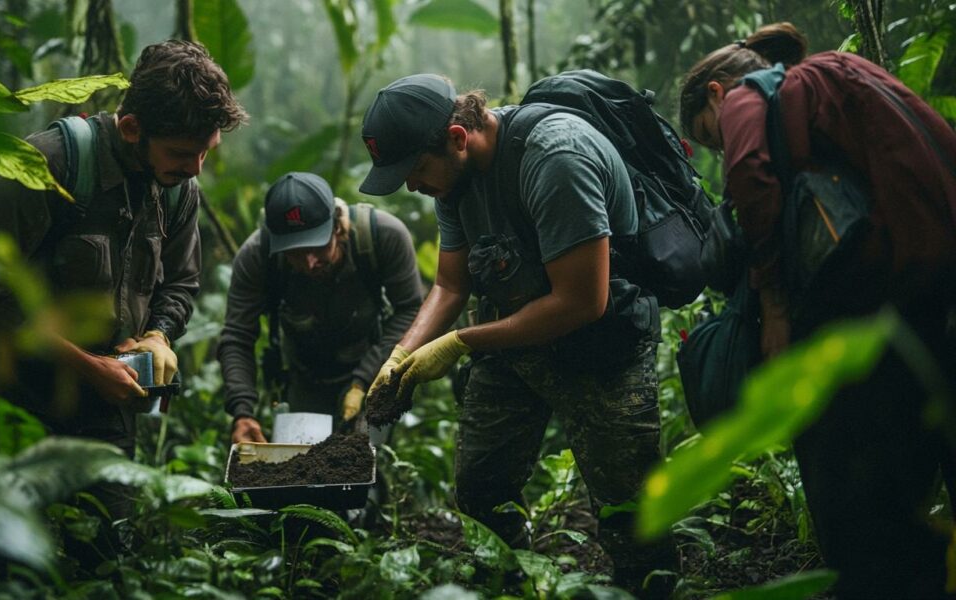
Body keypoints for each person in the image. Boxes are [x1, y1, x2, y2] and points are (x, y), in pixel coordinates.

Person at [358, 74, 675, 592]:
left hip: (602, 343)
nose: (413, 186)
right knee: (481, 487)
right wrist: (402, 354)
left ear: (458, 138)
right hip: (515, 338)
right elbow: (450, 283)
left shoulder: (555, 159)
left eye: (415, 171)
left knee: (630, 513)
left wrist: (460, 342)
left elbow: (581, 301)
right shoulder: (452, 179)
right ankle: (515, 583)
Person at [680, 23, 956, 599]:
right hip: (930, 279)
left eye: (712, 140)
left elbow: (753, 180)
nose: (722, 148)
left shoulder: (746, 95)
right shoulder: (842, 71)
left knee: (853, 470)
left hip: (881, 291)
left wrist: (775, 306)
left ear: (714, 93)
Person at [0, 40, 247, 457]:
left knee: (116, 521)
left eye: (206, 152)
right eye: (182, 153)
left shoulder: (178, 190)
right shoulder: (48, 165)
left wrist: (158, 336)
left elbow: (181, 282)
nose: (195, 168)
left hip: (106, 408)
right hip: (10, 400)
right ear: (131, 128)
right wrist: (87, 366)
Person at [218, 171, 424, 445]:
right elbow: (237, 335)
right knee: (305, 469)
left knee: (363, 461)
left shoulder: (383, 236)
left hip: (374, 367)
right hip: (305, 377)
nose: (310, 262)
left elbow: (411, 312)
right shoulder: (257, 255)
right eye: (295, 253)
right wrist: (242, 411)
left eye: (317, 246)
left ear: (337, 226)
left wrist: (363, 380)